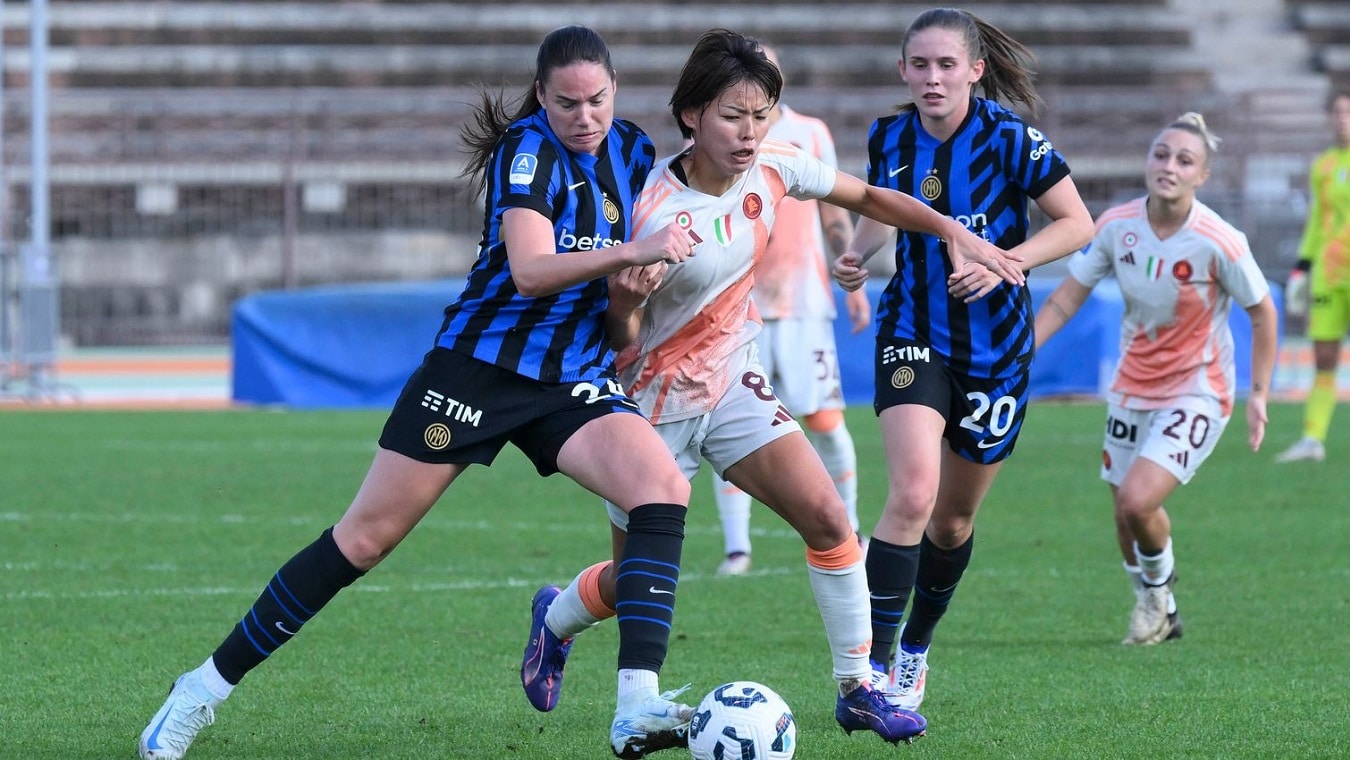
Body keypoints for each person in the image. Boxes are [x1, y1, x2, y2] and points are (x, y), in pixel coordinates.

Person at [138, 25, 701, 760]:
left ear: (616, 91)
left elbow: (632, 292)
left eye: (596, 99)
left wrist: (631, 297)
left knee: (661, 489)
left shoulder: (630, 150)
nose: (584, 117)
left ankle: (636, 707)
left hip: (571, 379)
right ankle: (200, 690)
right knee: (364, 541)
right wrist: (634, 252)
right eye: (567, 103)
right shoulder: (525, 153)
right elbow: (530, 270)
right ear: (541, 97)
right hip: (477, 372)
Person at [520, 28, 1026, 748]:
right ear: (692, 114)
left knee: (828, 518)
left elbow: (874, 197)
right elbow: (616, 342)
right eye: (734, 116)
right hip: (650, 406)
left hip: (733, 388)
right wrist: (627, 301)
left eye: (762, 115)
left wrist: (952, 231)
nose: (750, 132)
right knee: (637, 576)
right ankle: (558, 618)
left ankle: (859, 689)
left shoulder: (776, 170)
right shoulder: (647, 208)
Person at [832, 7, 1094, 710]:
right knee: (912, 493)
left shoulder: (1012, 140)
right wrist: (861, 251)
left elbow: (1077, 224)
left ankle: (916, 645)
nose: (932, 77)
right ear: (902, 71)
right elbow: (884, 206)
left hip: (997, 351)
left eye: (947, 64)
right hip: (912, 331)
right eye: (919, 65)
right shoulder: (889, 134)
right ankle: (871, 673)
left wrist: (1004, 262)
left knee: (950, 522)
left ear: (975, 71)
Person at [1034, 112, 1278, 643]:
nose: (1169, 166)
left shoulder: (1219, 240)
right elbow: (1066, 297)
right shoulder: (1116, 226)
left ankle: (1157, 598)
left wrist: (1258, 394)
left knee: (1137, 500)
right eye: (1161, 154)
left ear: (1202, 176)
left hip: (1199, 388)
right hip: (1131, 385)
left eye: (1184, 160)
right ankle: (1158, 604)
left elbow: (1263, 312)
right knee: (1125, 517)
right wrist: (1020, 352)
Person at [707, 44, 871, 577]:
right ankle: (738, 548)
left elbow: (833, 209)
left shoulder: (809, 134)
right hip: (736, 305)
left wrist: (852, 280)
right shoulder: (719, 134)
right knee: (729, 426)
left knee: (825, 421)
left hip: (803, 301)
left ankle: (849, 529)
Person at [1275, 89, 1350, 463]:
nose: (1343, 119)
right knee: (1323, 357)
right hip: (1329, 272)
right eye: (1338, 112)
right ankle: (1312, 439)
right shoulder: (1322, 165)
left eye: (1348, 113)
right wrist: (1303, 267)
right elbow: (1317, 222)